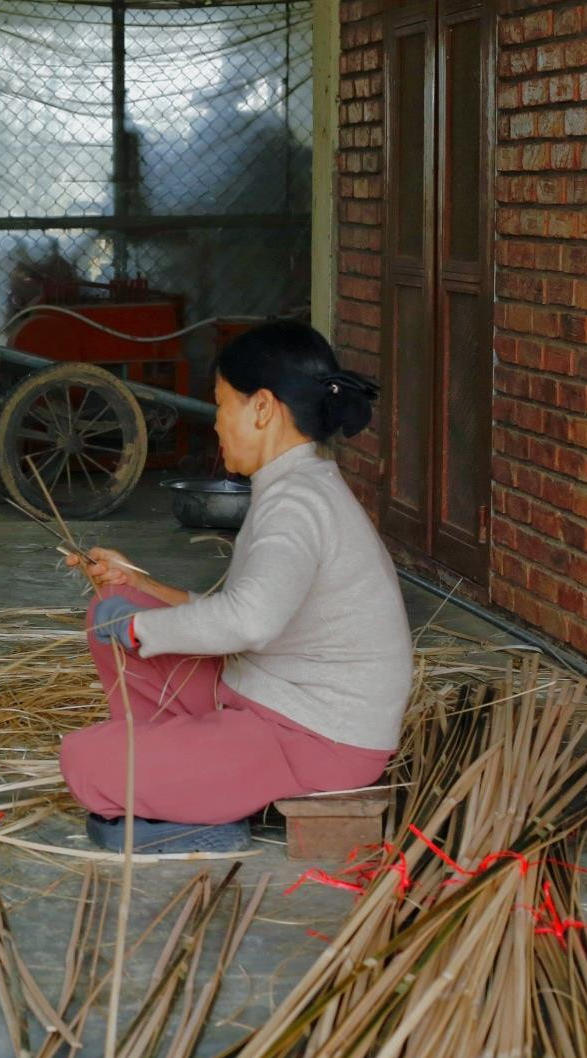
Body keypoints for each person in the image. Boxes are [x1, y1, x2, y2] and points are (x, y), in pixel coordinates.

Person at [61, 320, 412, 855]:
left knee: (86, 761)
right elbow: (246, 611)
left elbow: (249, 621)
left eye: (223, 405)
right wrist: (140, 587)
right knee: (114, 604)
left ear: (263, 408)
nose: (218, 424)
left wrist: (138, 628)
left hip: (313, 740)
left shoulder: (296, 505)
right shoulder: (295, 484)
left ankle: (190, 785)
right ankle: (185, 772)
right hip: (265, 698)